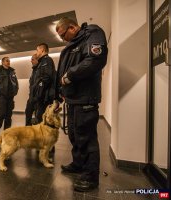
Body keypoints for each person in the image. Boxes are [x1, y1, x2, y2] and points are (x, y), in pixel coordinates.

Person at [55, 17, 108, 192]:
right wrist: (61, 95)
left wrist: (69, 74)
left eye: (63, 35)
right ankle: (78, 164)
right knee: (75, 135)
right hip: (73, 98)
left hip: (85, 98)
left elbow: (95, 60)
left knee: (86, 138)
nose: (63, 40)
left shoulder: (92, 34)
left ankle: (91, 177)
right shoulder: (75, 42)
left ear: (71, 27)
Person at [0, 57, 19, 139]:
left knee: (8, 115)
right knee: (2, 113)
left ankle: (7, 132)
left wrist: (15, 91)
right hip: (2, 96)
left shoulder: (12, 71)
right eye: (7, 61)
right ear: (2, 62)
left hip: (11, 96)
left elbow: (15, 82)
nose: (9, 62)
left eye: (9, 61)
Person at [32, 43, 56, 124]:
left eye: (37, 50)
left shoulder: (47, 60)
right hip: (42, 95)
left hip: (44, 96)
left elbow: (46, 77)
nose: (37, 52)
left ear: (42, 50)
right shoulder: (42, 61)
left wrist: (39, 92)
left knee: (42, 120)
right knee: (40, 119)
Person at [25, 54, 38, 126]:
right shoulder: (34, 70)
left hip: (38, 97)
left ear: (37, 60)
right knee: (28, 112)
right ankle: (27, 131)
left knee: (37, 117)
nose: (31, 61)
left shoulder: (40, 69)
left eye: (32, 59)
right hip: (31, 97)